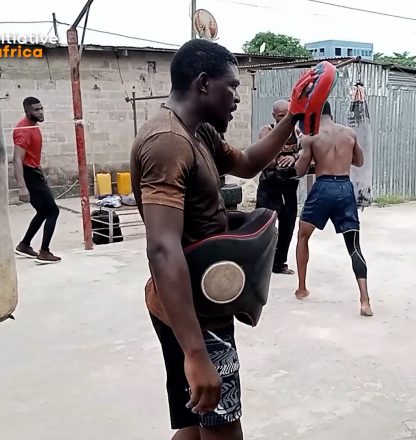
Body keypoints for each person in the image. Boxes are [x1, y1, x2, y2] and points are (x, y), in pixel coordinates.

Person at [130, 39, 317, 440]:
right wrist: (197, 353)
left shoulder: (200, 134)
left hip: (192, 302)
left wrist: (294, 117)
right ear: (202, 83)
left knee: (195, 424)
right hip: (193, 311)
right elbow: (162, 249)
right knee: (221, 424)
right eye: (230, 87)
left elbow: (247, 164)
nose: (236, 97)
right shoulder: (168, 142)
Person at [294, 102, 373, 317]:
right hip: (344, 188)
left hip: (323, 187)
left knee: (303, 236)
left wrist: (303, 151)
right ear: (332, 112)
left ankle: (301, 287)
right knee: (354, 245)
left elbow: (299, 171)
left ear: (313, 114)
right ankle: (365, 300)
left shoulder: (310, 136)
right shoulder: (349, 133)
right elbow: (359, 161)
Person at [12, 97, 61, 264]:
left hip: (34, 172)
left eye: (41, 108)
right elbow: (17, 159)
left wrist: (39, 169)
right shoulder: (23, 130)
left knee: (43, 211)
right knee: (53, 211)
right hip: (29, 175)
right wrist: (22, 187)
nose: (40, 112)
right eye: (36, 110)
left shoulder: (33, 126)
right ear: (27, 111)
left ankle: (24, 245)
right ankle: (44, 252)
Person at [256, 99, 302, 275]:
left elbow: (306, 151)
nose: (284, 119)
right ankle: (260, 264)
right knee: (265, 226)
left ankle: (279, 264)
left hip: (289, 188)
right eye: (280, 116)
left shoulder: (296, 132)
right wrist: (280, 163)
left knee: (288, 226)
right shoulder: (267, 130)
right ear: (274, 116)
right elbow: (264, 157)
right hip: (269, 186)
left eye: (287, 115)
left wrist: (294, 158)